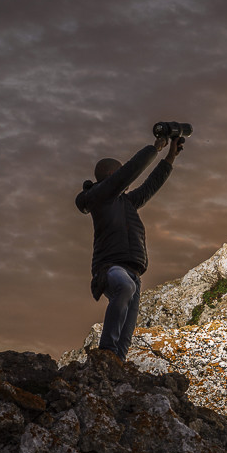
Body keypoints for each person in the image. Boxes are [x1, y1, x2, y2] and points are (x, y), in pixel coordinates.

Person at [75, 134, 184, 361]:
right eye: (121, 174)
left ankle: (117, 365)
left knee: (127, 331)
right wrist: (155, 148)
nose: (126, 180)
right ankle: (106, 351)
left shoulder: (125, 203)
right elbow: (131, 171)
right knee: (123, 287)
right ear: (113, 176)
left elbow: (149, 187)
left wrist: (170, 157)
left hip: (134, 273)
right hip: (110, 268)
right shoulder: (100, 196)